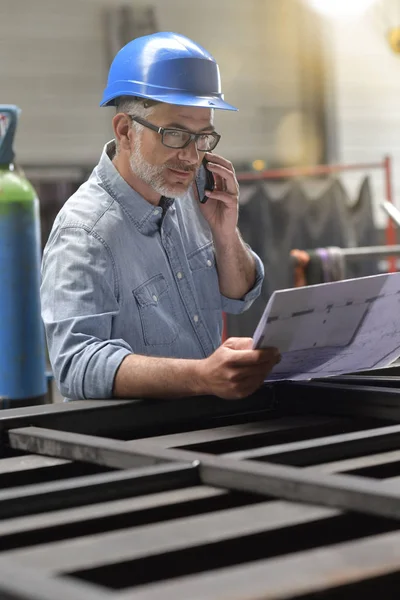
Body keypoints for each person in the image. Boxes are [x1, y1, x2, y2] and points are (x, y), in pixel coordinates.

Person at [41, 31, 280, 401]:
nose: (190, 156)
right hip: (138, 445)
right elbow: (76, 365)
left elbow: (239, 296)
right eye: (174, 134)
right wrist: (201, 376)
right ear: (125, 131)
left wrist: (225, 233)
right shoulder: (85, 231)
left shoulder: (190, 195)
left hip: (202, 425)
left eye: (203, 138)